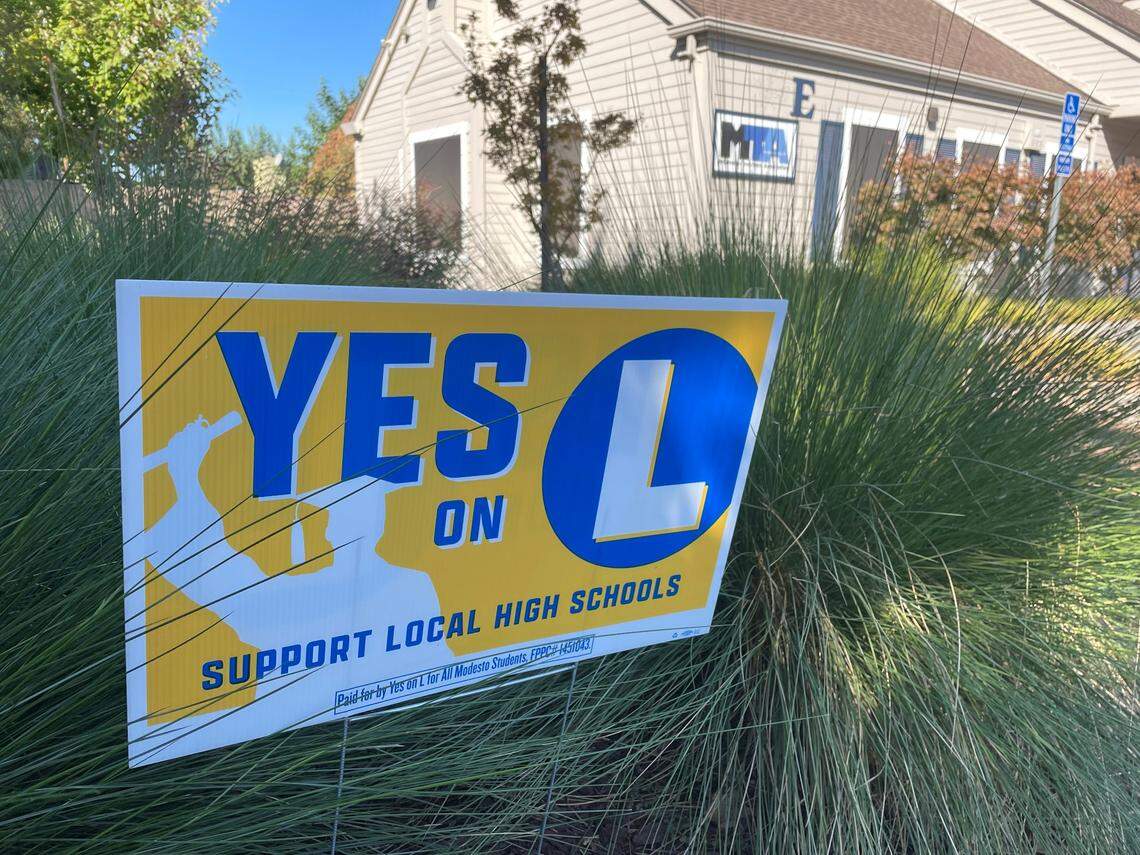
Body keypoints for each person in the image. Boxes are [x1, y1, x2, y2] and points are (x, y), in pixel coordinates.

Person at [135, 412, 446, 736]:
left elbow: (228, 587)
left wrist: (186, 477)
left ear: (332, 529)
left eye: (325, 516)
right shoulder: (414, 585)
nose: (321, 527)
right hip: (378, 737)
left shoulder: (314, 596)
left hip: (292, 748)